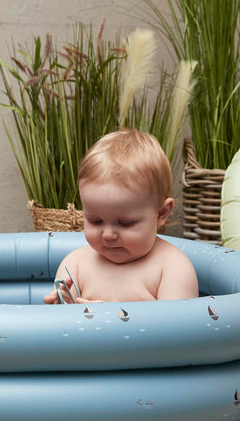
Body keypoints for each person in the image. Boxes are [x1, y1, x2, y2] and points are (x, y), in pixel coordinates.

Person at [43, 129, 198, 304]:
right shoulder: (74, 265)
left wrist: (108, 320)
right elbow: (61, 329)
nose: (108, 234)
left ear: (161, 213)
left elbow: (180, 328)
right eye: (95, 221)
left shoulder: (172, 268)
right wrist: (62, 309)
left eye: (125, 223)